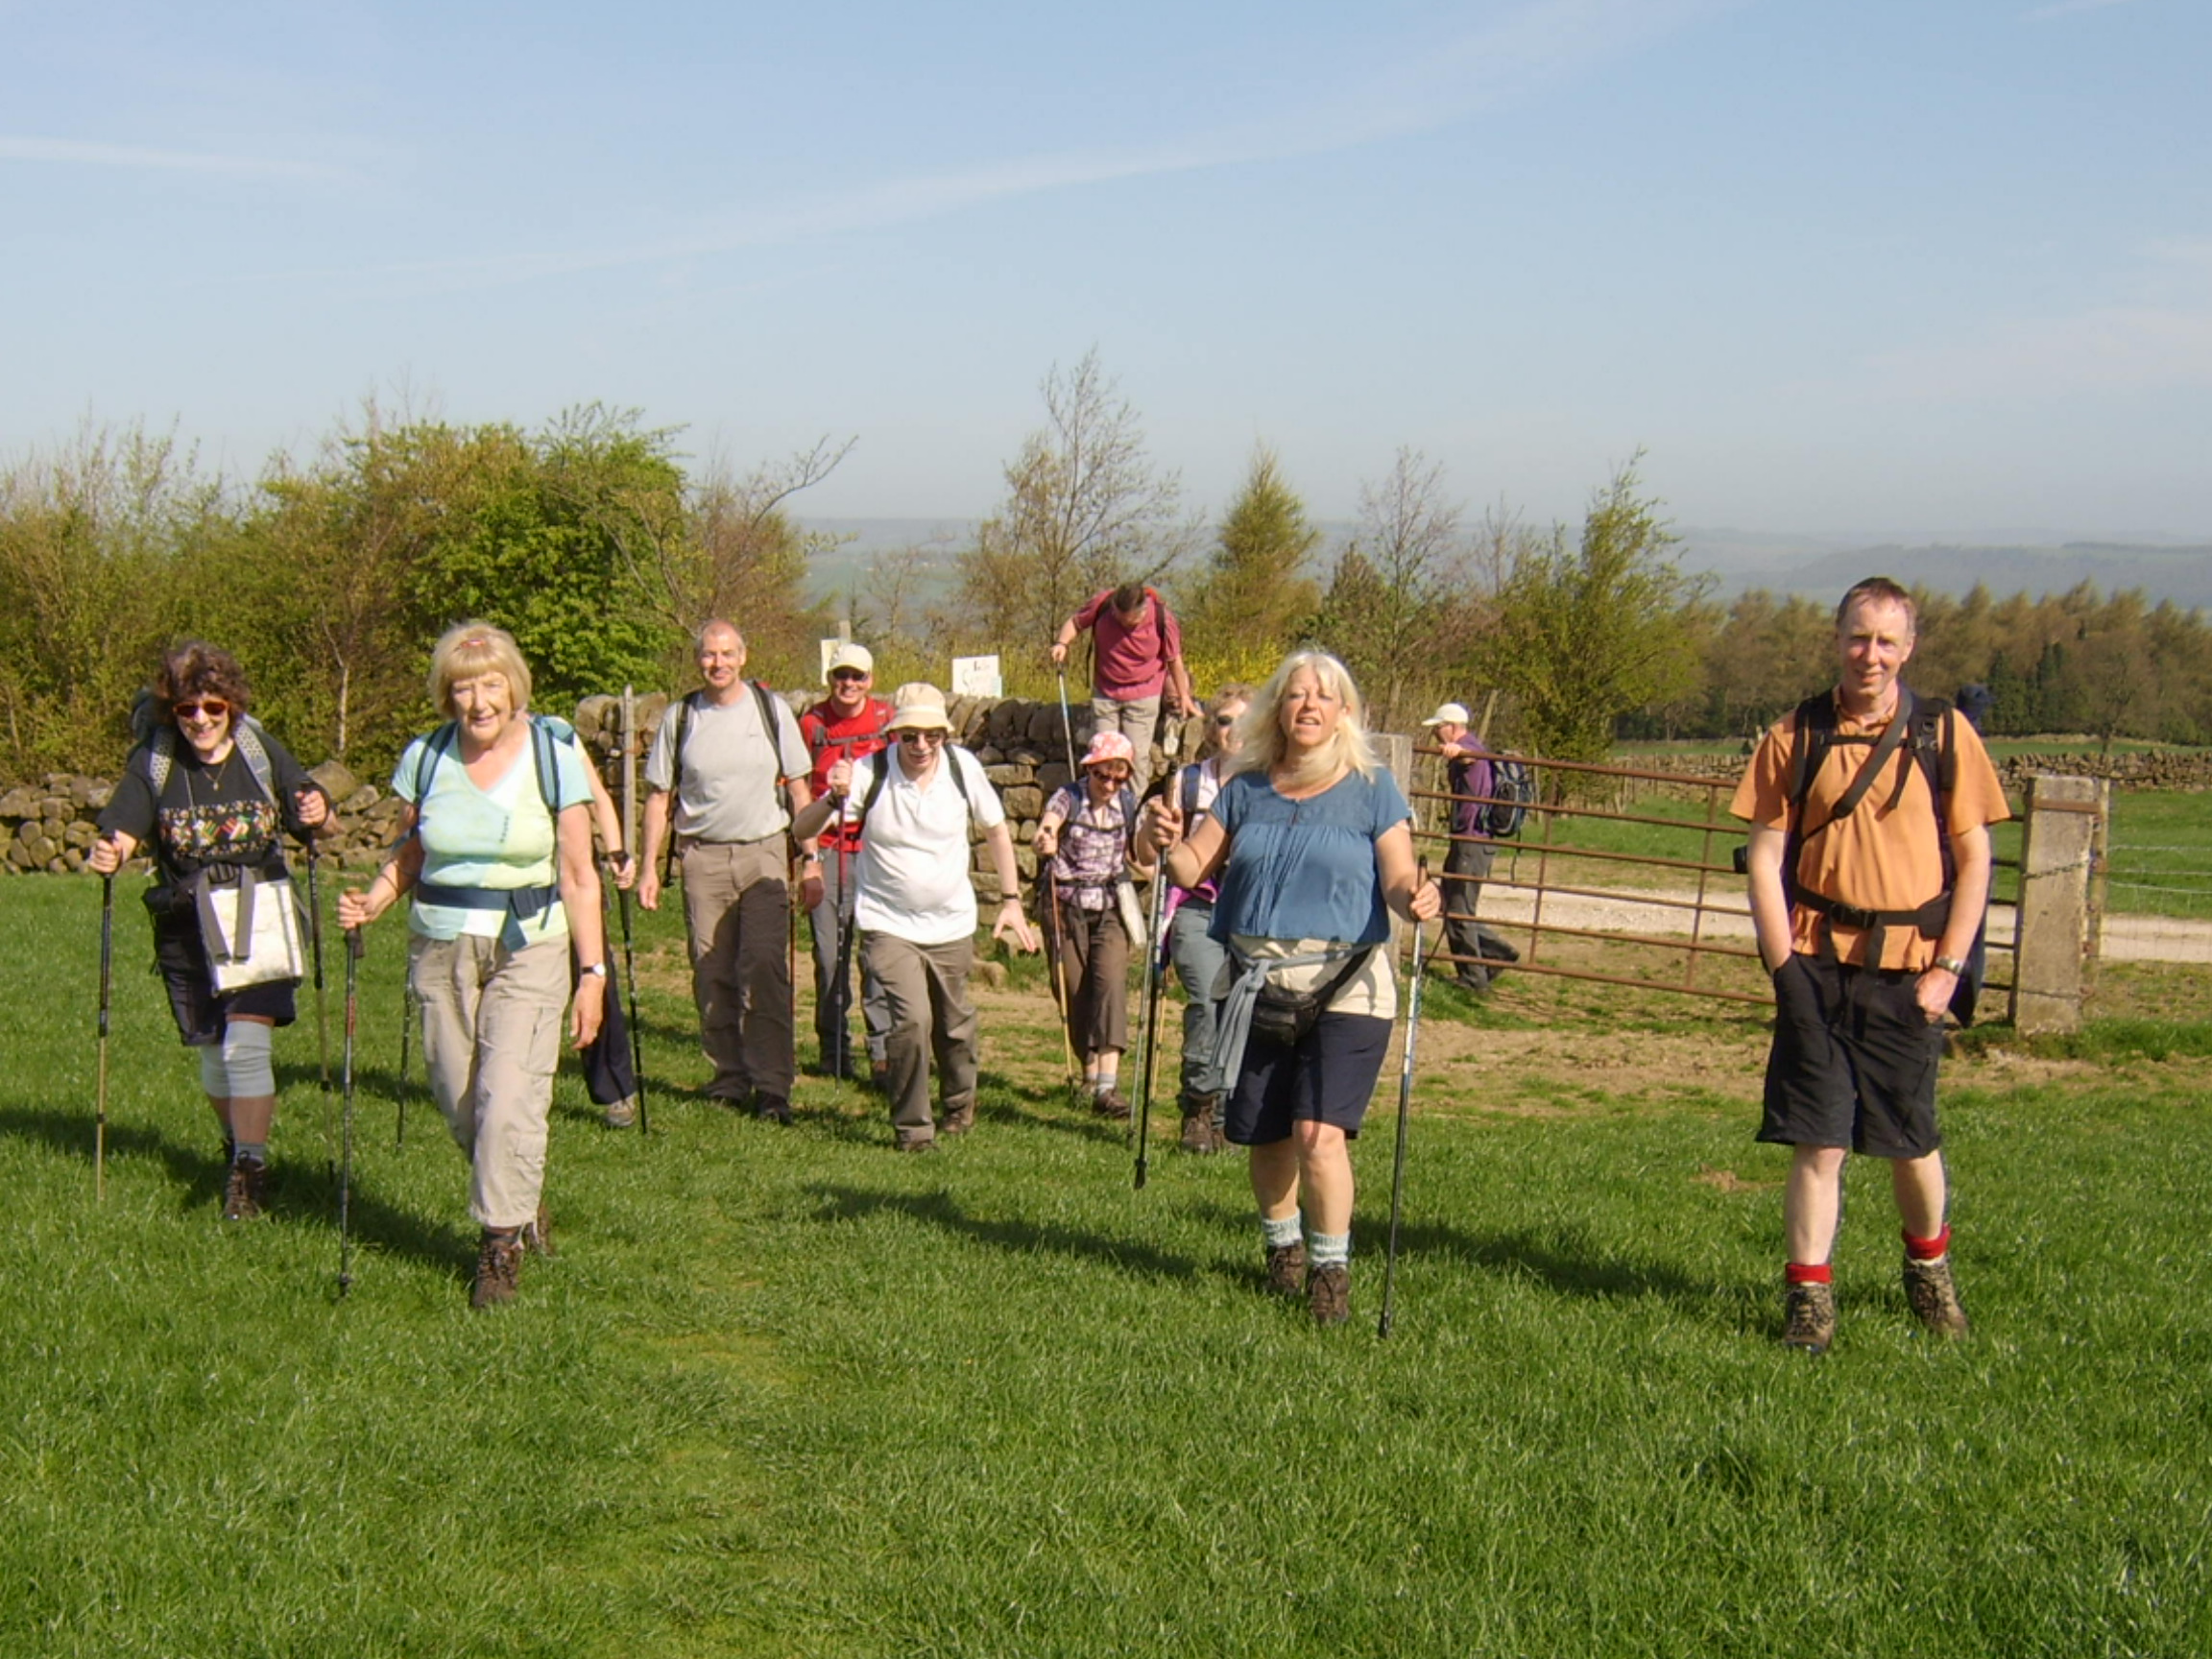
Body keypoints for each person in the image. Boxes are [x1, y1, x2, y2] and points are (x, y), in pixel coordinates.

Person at [1732, 577, 2009, 1356]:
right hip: (1816, 967)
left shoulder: (1945, 735)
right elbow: (1764, 853)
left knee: (1909, 1142)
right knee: (1816, 1141)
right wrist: (1782, 963)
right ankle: (1810, 1300)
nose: (1871, 655)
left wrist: (1948, 968)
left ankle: (1928, 1268)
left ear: (1909, 649)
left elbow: (1976, 858)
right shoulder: (1796, 734)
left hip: (1910, 974)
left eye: (1887, 642)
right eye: (1859, 637)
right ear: (1837, 638)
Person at [1138, 649, 1438, 1327]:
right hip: (1255, 985)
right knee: (1269, 1137)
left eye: (1324, 697)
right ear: (1279, 708)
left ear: (1345, 713)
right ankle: (1284, 1252)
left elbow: (1396, 876)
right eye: (1297, 695)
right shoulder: (1246, 789)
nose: (1309, 706)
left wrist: (1416, 896)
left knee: (1318, 1135)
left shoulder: (1373, 788)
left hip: (1349, 987)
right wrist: (1160, 838)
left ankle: (1331, 1276)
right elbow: (1190, 865)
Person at [337, 622, 607, 1310]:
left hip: (531, 943)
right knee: (462, 1102)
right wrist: (373, 900)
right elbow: (410, 850)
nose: (479, 701)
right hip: (440, 945)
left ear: (514, 686)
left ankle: (497, 1248)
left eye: (491, 685)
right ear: (446, 694)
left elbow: (580, 874)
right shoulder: (426, 758)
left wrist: (592, 975)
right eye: (463, 688)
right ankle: (521, 1198)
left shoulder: (553, 757)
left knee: (508, 1095)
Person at [91, 642, 331, 1221]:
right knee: (213, 1050)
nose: (200, 719)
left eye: (213, 707)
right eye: (187, 709)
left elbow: (306, 805)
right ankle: (235, 1150)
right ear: (170, 710)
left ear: (233, 706)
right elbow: (126, 820)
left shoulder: (256, 746)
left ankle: (250, 1168)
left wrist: (318, 810)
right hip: (188, 921)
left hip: (259, 912)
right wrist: (112, 849)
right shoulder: (156, 758)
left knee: (246, 1044)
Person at [790, 683, 1038, 1150]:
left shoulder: (963, 769)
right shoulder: (869, 771)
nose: (921, 746)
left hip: (950, 924)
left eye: (931, 736)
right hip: (888, 922)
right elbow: (803, 829)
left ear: (944, 735)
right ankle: (913, 1127)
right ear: (894, 734)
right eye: (910, 736)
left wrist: (1011, 901)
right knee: (910, 1022)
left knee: (954, 1026)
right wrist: (832, 798)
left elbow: (997, 831)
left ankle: (960, 1104)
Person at [636, 620, 820, 1124]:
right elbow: (658, 797)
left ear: (744, 656)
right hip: (702, 858)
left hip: (763, 854)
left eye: (726, 654)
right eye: (708, 655)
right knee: (712, 971)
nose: (717, 663)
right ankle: (729, 1081)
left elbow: (800, 790)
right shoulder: (682, 717)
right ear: (697, 661)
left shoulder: (770, 710)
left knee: (764, 968)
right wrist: (650, 866)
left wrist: (811, 861)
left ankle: (773, 1088)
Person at [1153, 684, 1252, 1153]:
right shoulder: (1188, 782)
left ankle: (1235, 1115)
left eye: (1247, 720)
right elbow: (1143, 852)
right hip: (1198, 903)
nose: (1236, 730)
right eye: (1227, 720)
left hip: (1253, 911)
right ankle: (1199, 1105)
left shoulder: (1276, 782)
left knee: (1248, 1008)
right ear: (1212, 728)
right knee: (1209, 998)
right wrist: (1161, 838)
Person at [1034, 730, 1144, 1119]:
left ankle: (1107, 1088)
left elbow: (1139, 853)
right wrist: (1046, 837)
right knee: (1073, 988)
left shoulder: (1128, 804)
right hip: (1065, 905)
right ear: (1090, 770)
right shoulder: (1069, 796)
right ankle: (1089, 1071)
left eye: (1118, 778)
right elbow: (1048, 824)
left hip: (1111, 905)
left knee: (1110, 985)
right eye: (1103, 776)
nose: (1109, 785)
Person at [799, 641, 895, 1082]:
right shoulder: (811, 724)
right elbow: (796, 791)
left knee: (877, 952)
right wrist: (810, 860)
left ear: (870, 680)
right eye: (841, 676)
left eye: (857, 676)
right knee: (829, 954)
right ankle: (834, 1051)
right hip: (828, 848)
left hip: (876, 850)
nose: (849, 684)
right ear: (829, 679)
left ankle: (883, 1051)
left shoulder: (887, 721)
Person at [1049, 581, 1197, 792]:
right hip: (1106, 693)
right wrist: (1062, 643)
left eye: (1131, 621)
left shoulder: (1162, 618)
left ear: (1143, 610)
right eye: (1119, 618)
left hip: (1144, 694)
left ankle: (1131, 812)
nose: (1124, 625)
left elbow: (1174, 660)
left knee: (1135, 757)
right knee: (1102, 755)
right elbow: (1075, 623)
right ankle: (1098, 807)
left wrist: (1184, 696)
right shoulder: (1103, 604)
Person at [1419, 701, 1521, 992]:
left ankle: (1474, 977)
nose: (1436, 734)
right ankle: (1493, 955)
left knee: (1458, 908)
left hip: (1471, 841)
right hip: (1472, 840)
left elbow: (1471, 757)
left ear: (1452, 726)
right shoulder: (1473, 746)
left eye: (1439, 728)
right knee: (1455, 904)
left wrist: (1457, 751)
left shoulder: (1469, 747)